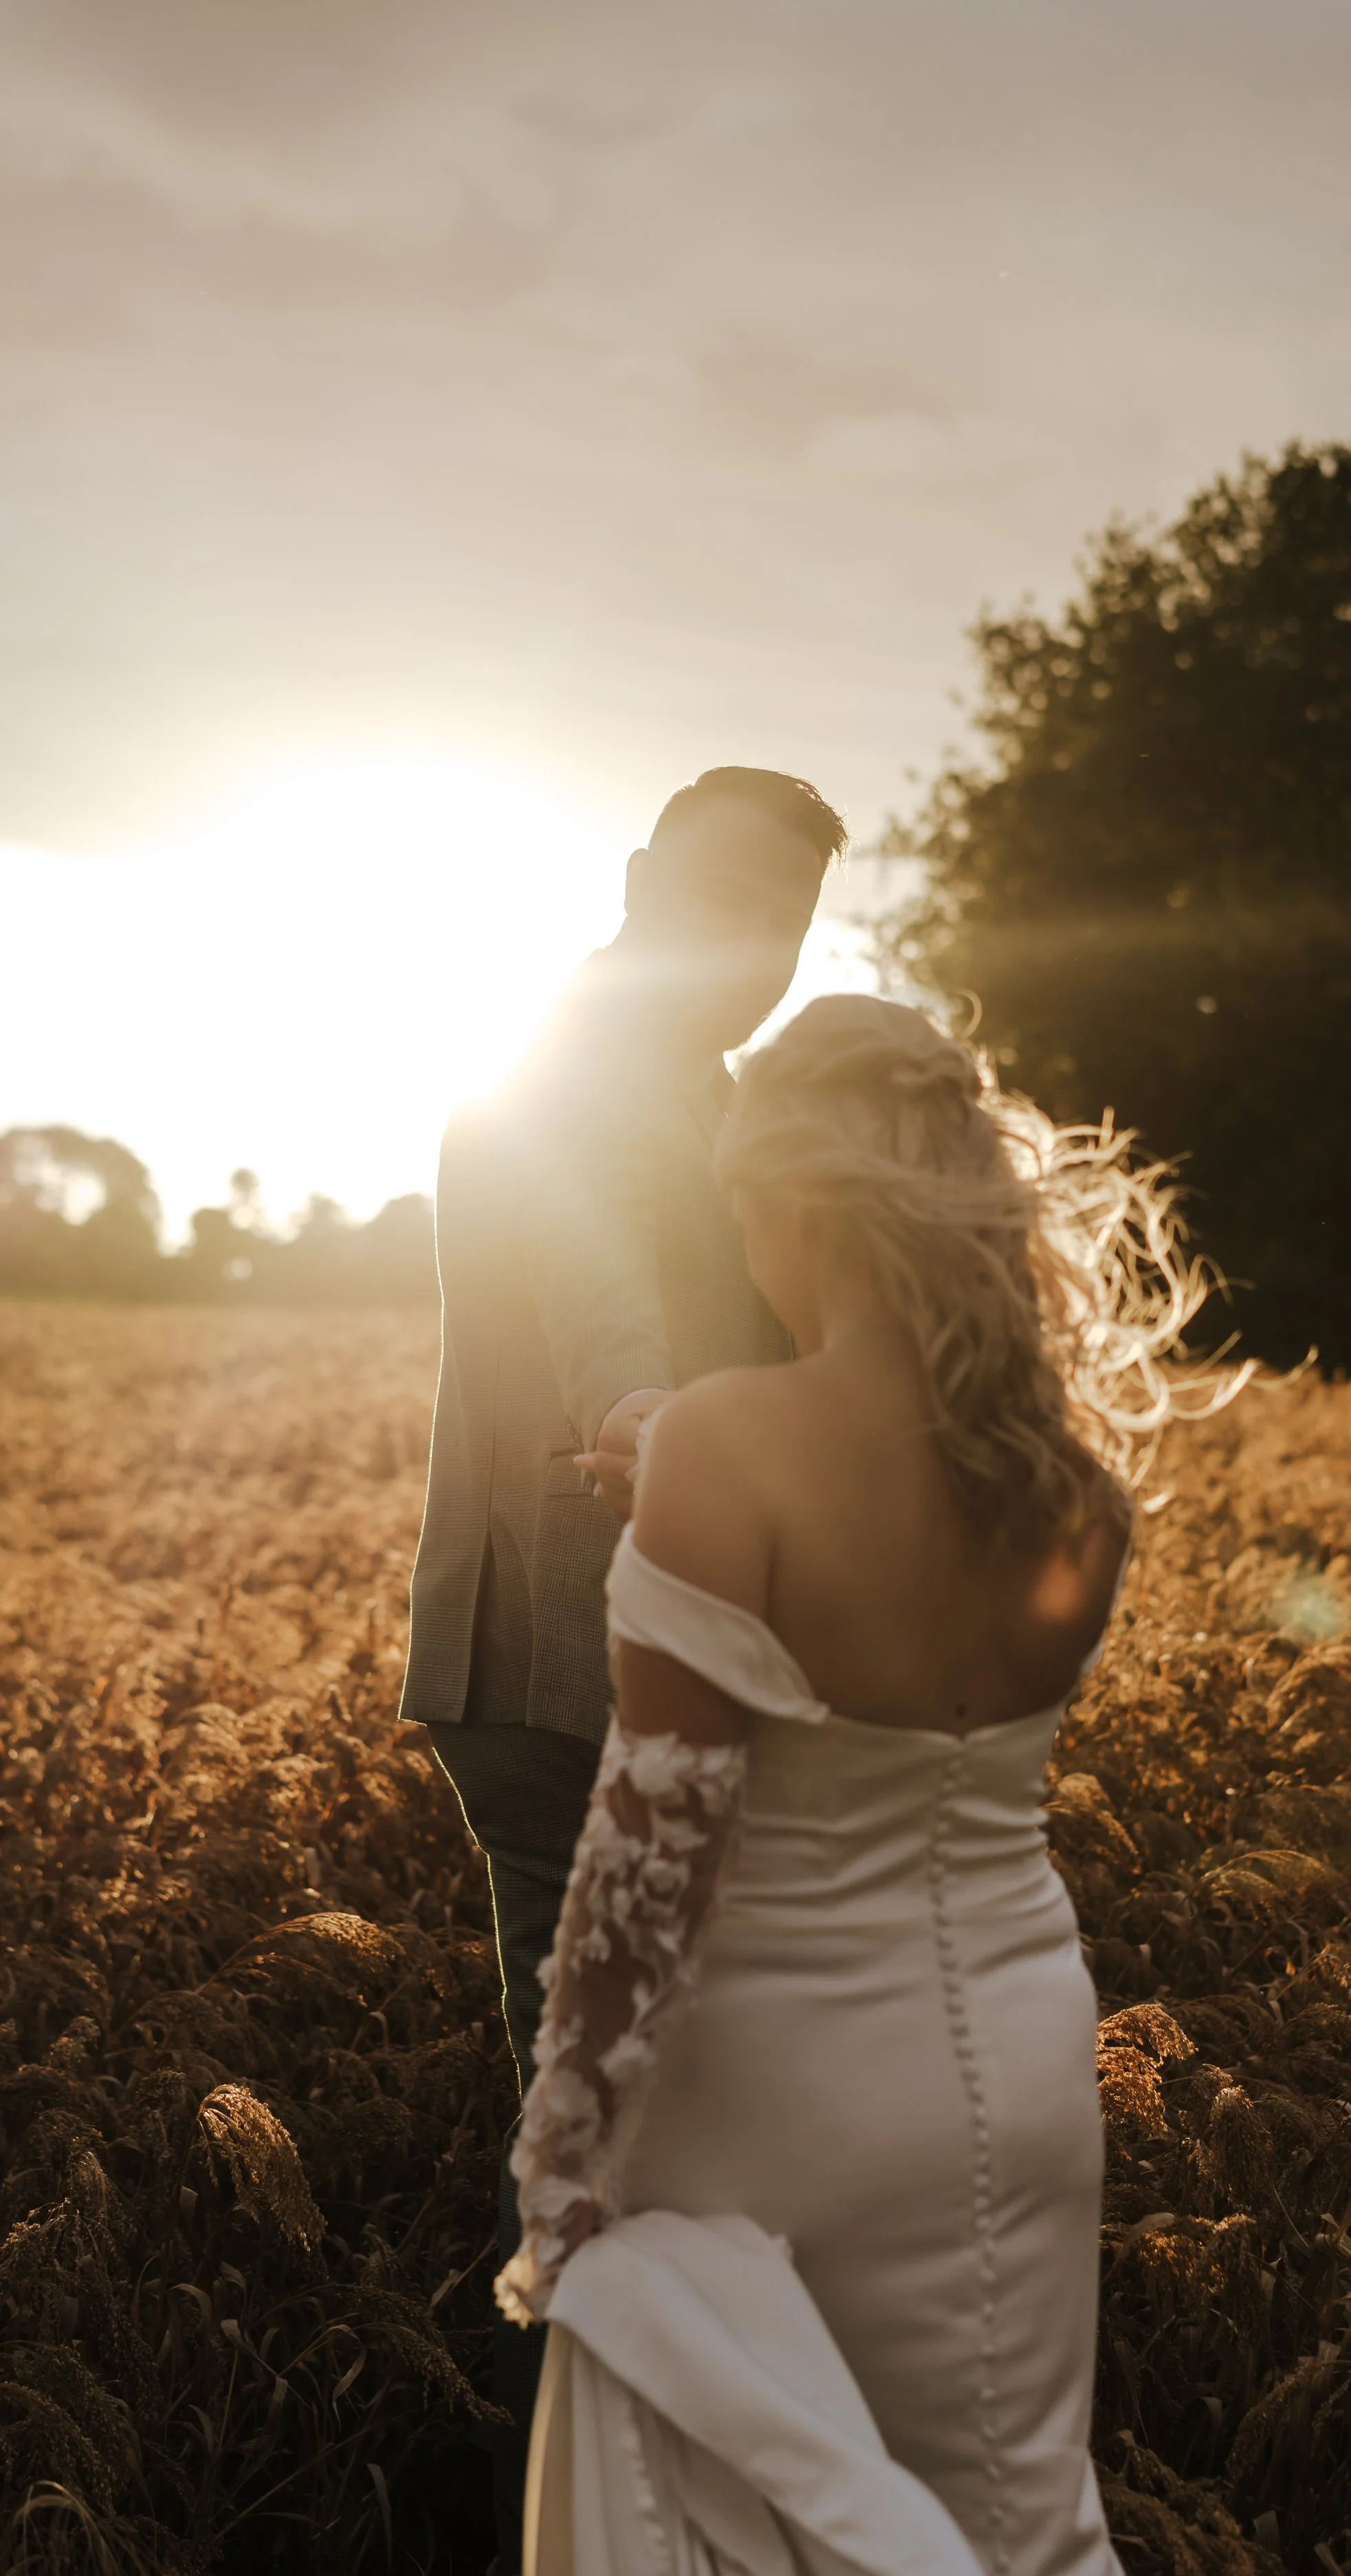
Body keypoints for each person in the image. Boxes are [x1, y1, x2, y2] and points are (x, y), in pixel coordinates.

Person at [497, 995, 1235, 2576]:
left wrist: (559, 2170)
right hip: (1022, 2054)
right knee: (1019, 2518)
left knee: (766, 2521)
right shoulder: (1072, 1486)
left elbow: (653, 1845)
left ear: (786, 1201)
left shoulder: (726, 1440)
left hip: (772, 2078)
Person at [397, 766, 847, 2570]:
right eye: (726, 896)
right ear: (646, 874)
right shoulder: (575, 1062)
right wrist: (639, 1401)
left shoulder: (711, 1090)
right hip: (558, 1672)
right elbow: (596, 1275)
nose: (751, 945)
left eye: (787, 920)